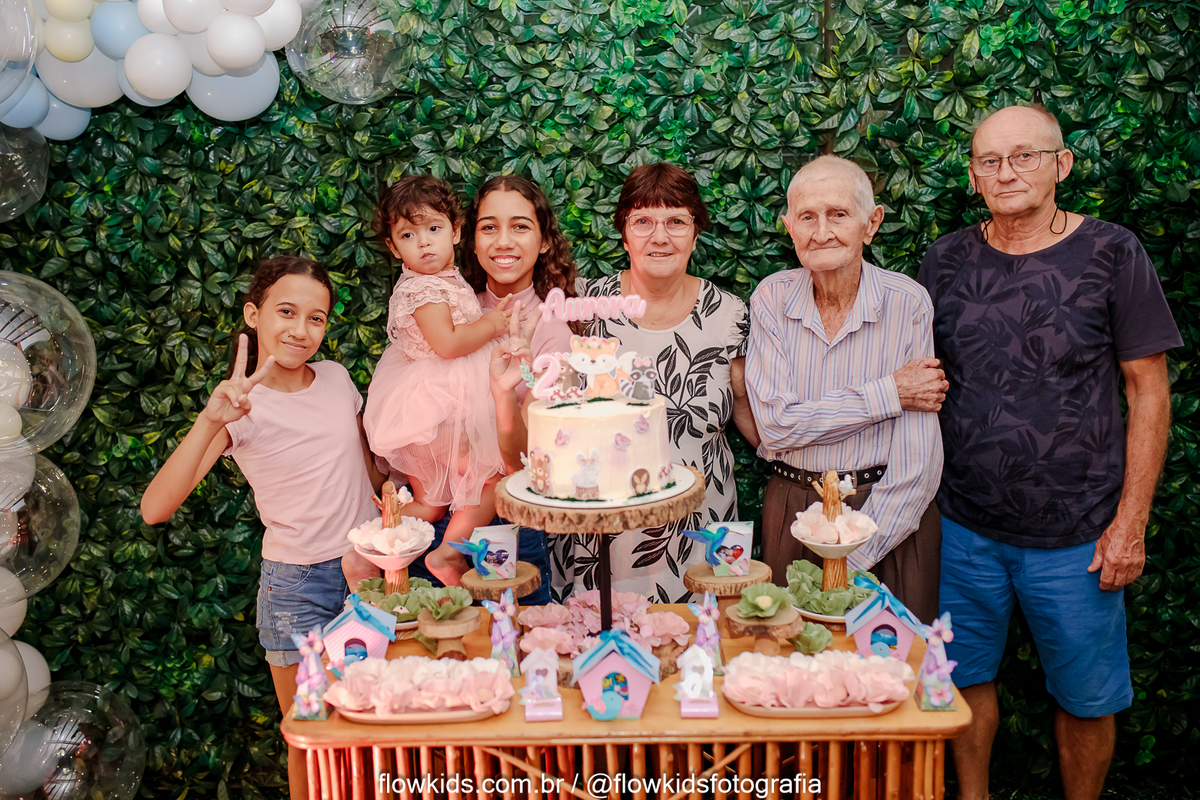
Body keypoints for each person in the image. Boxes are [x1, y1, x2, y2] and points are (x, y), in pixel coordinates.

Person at [918, 105, 1180, 800]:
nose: (1007, 173)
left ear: (1061, 164)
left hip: (1080, 536)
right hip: (963, 528)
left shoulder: (1112, 252)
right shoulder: (944, 261)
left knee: (1088, 700)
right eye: (990, 161)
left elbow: (1148, 390)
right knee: (961, 679)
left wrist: (1131, 523)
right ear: (974, 176)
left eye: (1024, 156)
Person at [140, 257, 383, 800]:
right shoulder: (241, 406)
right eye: (286, 312)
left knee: (375, 727)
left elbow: (369, 473)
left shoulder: (337, 378)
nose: (301, 330)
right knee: (310, 737)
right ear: (254, 314)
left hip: (369, 577)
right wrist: (211, 419)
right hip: (299, 590)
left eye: (316, 318)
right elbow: (155, 508)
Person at [745, 155, 946, 623]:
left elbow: (918, 460)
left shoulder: (906, 302)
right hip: (793, 510)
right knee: (791, 657)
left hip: (889, 514)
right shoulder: (772, 297)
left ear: (870, 224)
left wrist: (853, 556)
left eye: (838, 214)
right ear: (789, 228)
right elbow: (776, 427)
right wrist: (890, 393)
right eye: (807, 217)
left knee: (891, 661)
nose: (822, 232)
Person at [549, 162, 760, 603]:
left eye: (676, 222)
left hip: (701, 531)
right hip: (603, 536)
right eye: (643, 221)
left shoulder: (729, 314)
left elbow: (744, 408)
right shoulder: (584, 307)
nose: (660, 237)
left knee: (701, 639)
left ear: (695, 234)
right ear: (624, 234)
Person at [408, 174, 579, 604]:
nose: (503, 241)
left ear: (544, 241)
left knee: (511, 641)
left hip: (504, 527)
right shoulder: (445, 306)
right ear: (470, 237)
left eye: (520, 226)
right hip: (431, 522)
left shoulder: (551, 331)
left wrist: (504, 394)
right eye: (489, 227)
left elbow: (522, 463)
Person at [361, 175, 514, 586]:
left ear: (456, 231)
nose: (424, 243)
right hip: (438, 409)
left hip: (428, 410)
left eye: (433, 228)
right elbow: (448, 344)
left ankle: (376, 541)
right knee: (489, 478)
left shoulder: (438, 280)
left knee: (430, 505)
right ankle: (447, 554)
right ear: (394, 247)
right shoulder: (424, 289)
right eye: (408, 235)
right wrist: (492, 323)